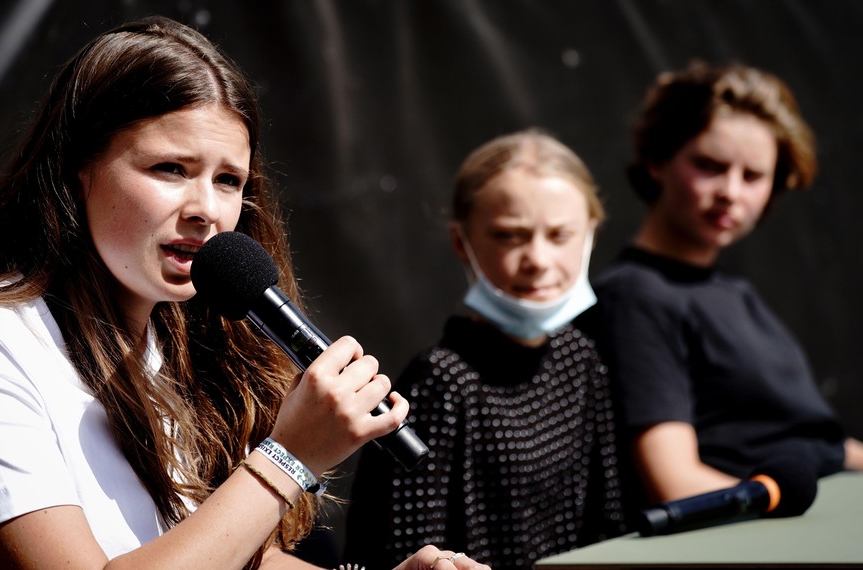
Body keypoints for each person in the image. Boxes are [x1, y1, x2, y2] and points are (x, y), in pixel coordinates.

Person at [0, 16, 491, 570]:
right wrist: (288, 458)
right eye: (170, 168)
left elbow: (235, 559)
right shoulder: (4, 342)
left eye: (228, 180)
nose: (206, 209)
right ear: (77, 168)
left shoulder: (179, 339)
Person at [579, 61, 863, 512]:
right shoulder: (636, 297)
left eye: (753, 176)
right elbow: (676, 483)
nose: (731, 191)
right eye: (710, 166)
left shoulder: (733, 292)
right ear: (657, 161)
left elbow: (816, 442)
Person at [344, 129, 625, 570]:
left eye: (559, 235)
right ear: (462, 242)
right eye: (511, 236)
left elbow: (608, 516)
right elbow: (405, 548)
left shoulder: (581, 358)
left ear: (589, 233)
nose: (538, 258)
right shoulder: (440, 380)